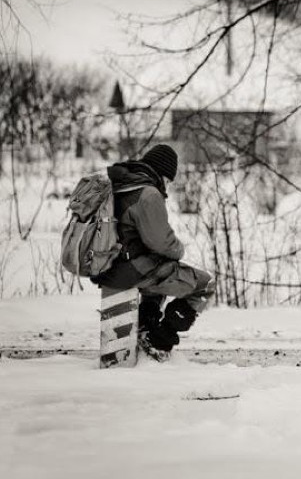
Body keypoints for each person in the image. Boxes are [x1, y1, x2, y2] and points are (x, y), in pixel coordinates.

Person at [91, 144, 215, 361]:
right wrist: (179, 250)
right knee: (204, 285)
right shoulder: (148, 194)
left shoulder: (120, 184)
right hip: (128, 270)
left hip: (107, 267)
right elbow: (163, 242)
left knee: (159, 271)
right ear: (162, 173)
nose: (166, 186)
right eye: (168, 180)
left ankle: (145, 328)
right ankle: (159, 342)